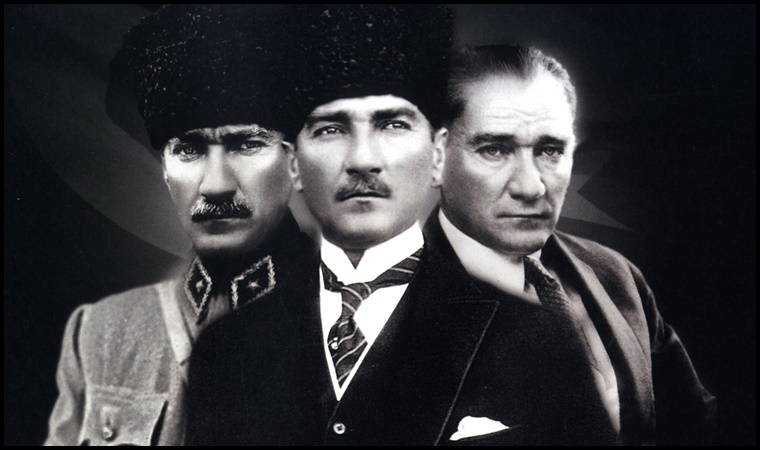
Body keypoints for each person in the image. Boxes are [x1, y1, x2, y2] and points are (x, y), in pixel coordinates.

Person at [186, 6, 611, 445]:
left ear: (438, 155)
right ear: (293, 165)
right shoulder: (228, 348)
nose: (362, 160)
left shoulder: (533, 337)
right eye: (331, 129)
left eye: (392, 124)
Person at [44, 5, 315, 445]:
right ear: (165, 170)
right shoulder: (101, 333)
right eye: (189, 150)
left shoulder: (356, 322)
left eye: (247, 144)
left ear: (296, 162)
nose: (216, 186)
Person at [432, 44, 717, 444]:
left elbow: (695, 426)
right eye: (494, 149)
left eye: (551, 150)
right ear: (435, 157)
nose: (531, 186)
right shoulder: (387, 304)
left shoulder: (615, 274)